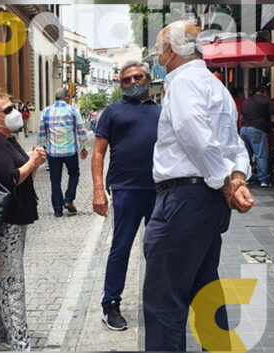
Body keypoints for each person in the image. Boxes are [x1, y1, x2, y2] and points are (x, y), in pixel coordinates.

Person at [145, 21, 254, 351]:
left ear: (173, 50)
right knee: (206, 289)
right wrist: (237, 178)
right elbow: (233, 142)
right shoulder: (214, 85)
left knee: (164, 299)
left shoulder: (182, 82)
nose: (157, 56)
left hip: (184, 199)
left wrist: (226, 182)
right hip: (206, 202)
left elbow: (197, 137)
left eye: (160, 49)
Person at [0, 88, 47, 351]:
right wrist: (31, 162)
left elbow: (23, 179)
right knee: (13, 284)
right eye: (8, 110)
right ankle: (20, 343)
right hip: (3, 224)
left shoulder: (8, 139)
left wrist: (34, 164)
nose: (15, 113)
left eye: (14, 107)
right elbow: (11, 178)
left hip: (12, 219)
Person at [91, 60, 161, 331]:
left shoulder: (163, 112)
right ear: (120, 84)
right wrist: (99, 190)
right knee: (120, 248)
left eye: (137, 77)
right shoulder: (112, 111)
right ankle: (110, 303)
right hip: (125, 191)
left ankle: (158, 303)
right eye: (126, 80)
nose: (132, 83)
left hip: (160, 191)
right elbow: (98, 152)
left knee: (158, 251)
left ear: (148, 79)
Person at [38, 87, 88, 217]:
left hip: (53, 152)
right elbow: (81, 130)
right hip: (70, 151)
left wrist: (43, 147)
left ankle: (57, 209)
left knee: (55, 180)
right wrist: (84, 148)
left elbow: (42, 132)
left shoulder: (46, 111)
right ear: (67, 98)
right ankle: (68, 199)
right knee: (74, 174)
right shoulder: (72, 110)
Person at [240, 85, 274, 187]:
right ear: (264, 92)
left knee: (246, 155)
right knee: (261, 155)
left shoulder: (247, 101)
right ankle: (263, 180)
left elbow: (241, 116)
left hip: (244, 129)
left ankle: (247, 178)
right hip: (257, 129)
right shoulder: (266, 101)